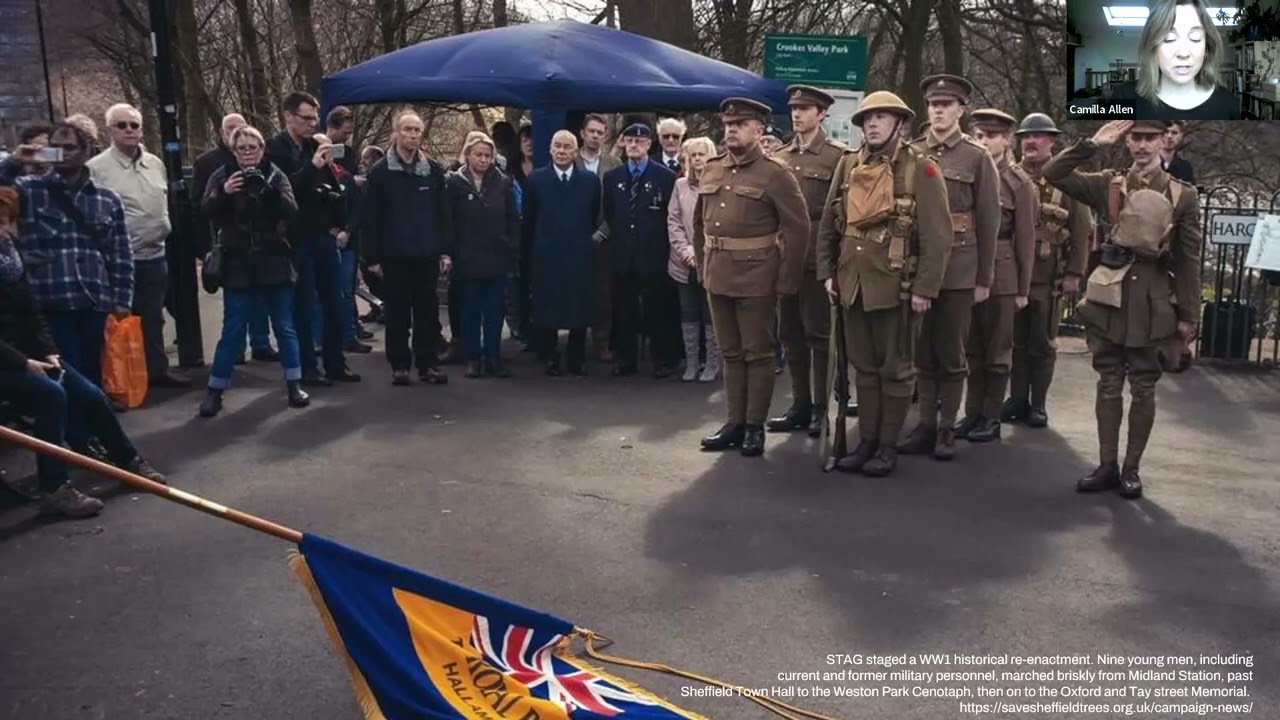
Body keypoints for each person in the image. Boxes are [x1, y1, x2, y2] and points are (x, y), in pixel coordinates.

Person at [1043, 119, 1200, 499]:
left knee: (1144, 388)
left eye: (1150, 138)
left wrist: (1189, 316)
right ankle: (1107, 465)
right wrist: (1093, 144)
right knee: (1108, 383)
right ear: (1127, 141)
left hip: (1153, 302)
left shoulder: (1183, 195)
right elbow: (1054, 172)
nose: (1142, 146)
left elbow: (1188, 259)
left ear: (1165, 140)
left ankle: (1132, 469)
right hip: (1109, 300)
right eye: (1136, 138)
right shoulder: (1108, 184)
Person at [0, 187, 165, 519]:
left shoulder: (10, 253)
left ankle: (127, 460)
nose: (4, 230)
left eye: (6, 222)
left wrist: (48, 352)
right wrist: (22, 362)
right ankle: (55, 487)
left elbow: (33, 312)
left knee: (89, 392)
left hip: (27, 351)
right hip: (7, 360)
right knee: (51, 395)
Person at [815, 92, 952, 475]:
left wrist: (926, 288)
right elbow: (830, 225)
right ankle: (868, 442)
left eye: (881, 117)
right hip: (852, 283)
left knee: (896, 370)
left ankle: (887, 447)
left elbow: (938, 237)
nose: (872, 124)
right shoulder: (847, 166)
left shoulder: (920, 169)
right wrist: (827, 272)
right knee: (864, 369)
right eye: (867, 118)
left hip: (897, 287)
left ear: (900, 123)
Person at [694, 97, 810, 458]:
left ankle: (754, 426)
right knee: (730, 353)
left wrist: (787, 280)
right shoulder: (712, 168)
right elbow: (700, 223)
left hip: (758, 276)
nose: (731, 130)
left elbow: (799, 228)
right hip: (719, 274)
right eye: (728, 125)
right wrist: (703, 266)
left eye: (740, 125)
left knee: (757, 354)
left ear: (759, 131)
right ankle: (735, 422)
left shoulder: (775, 173)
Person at [902, 74, 1000, 461]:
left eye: (946, 104)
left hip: (960, 265)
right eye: (933, 105)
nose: (938, 111)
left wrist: (984, 278)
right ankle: (926, 424)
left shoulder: (977, 157)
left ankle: (946, 428)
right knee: (923, 352)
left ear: (961, 110)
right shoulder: (912, 151)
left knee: (952, 352)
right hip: (921, 263)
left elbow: (989, 220)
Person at [0, 122, 133, 394]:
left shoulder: (106, 198)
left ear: (86, 151)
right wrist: (14, 161)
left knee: (94, 373)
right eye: (56, 148)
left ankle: (91, 434)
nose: (62, 154)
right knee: (67, 374)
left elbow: (121, 253)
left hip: (93, 299)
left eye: (70, 148)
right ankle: (75, 434)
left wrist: (122, 299)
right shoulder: (30, 190)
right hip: (50, 299)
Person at [198, 126, 309, 416]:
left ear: (262, 149)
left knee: (284, 327)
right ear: (233, 151)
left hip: (274, 260)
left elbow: (292, 211)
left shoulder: (275, 174)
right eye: (241, 148)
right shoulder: (222, 175)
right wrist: (224, 193)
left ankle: (295, 383)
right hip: (238, 263)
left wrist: (269, 192)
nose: (248, 153)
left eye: (253, 147)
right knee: (232, 329)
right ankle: (215, 390)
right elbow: (206, 209)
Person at [87, 103, 191, 390]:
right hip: (119, 259)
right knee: (120, 321)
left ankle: (157, 371)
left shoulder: (155, 163)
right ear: (110, 131)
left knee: (154, 317)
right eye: (122, 125)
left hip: (155, 254)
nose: (129, 131)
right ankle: (122, 379)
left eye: (134, 125)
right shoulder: (96, 169)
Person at [767, 85, 848, 438]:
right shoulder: (780, 156)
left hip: (818, 258)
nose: (797, 114)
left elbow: (840, 217)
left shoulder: (838, 157)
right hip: (785, 259)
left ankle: (819, 408)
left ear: (822, 114)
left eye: (806, 109)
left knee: (819, 337)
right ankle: (799, 404)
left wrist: (835, 265)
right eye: (794, 108)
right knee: (790, 335)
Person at [1003, 113, 1092, 428]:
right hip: (1013, 274)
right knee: (1014, 341)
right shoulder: (1009, 176)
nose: (1030, 142)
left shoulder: (1067, 180)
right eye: (1026, 137)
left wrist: (1074, 273)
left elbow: (1082, 231)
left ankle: (1038, 404)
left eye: (1038, 137)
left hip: (1047, 275)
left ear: (1052, 142)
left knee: (1041, 343)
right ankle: (1016, 399)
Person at [265, 91, 359, 386]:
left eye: (314, 119)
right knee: (304, 305)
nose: (311, 124)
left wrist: (339, 221)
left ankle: (335, 363)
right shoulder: (274, 149)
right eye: (306, 118)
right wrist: (313, 167)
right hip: (296, 237)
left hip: (323, 234)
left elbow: (335, 188)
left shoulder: (315, 146)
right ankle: (307, 367)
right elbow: (283, 191)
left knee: (334, 301)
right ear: (288, 116)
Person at [955, 109, 1036, 443]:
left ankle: (991, 416)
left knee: (998, 351)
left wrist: (1022, 288)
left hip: (1002, 273)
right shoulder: (968, 173)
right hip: (969, 267)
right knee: (971, 349)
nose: (984, 142)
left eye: (991, 136)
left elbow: (1026, 238)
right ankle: (971, 412)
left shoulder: (1019, 184)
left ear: (1006, 140)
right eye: (979, 135)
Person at [362, 110, 451, 386]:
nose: (412, 135)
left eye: (416, 131)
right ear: (396, 133)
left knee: (427, 311)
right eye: (407, 129)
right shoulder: (380, 173)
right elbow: (370, 218)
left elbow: (443, 215)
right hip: (394, 256)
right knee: (398, 313)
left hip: (426, 254)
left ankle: (428, 364)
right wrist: (372, 257)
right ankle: (400, 365)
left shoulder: (434, 171)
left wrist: (445, 251)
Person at [194, 113, 279, 363]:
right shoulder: (209, 164)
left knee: (261, 299)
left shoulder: (266, 165)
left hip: (262, 241)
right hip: (230, 240)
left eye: (240, 129)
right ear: (223, 134)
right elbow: (201, 204)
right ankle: (236, 351)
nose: (237, 136)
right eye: (230, 130)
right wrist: (223, 191)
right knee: (236, 305)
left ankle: (261, 343)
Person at [600, 123, 679, 377]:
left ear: (648, 144)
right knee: (624, 310)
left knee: (657, 309)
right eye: (629, 140)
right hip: (623, 254)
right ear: (623, 144)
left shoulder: (665, 177)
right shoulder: (614, 177)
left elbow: (670, 215)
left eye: (639, 141)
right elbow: (611, 213)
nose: (634, 145)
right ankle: (626, 360)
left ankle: (661, 360)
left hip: (653, 253)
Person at [522, 130, 601, 376]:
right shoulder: (536, 179)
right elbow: (530, 219)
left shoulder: (589, 180)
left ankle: (576, 357)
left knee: (579, 306)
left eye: (567, 147)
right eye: (558, 146)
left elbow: (593, 215)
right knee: (547, 305)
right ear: (550, 149)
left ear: (576, 152)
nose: (562, 151)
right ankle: (550, 356)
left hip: (579, 253)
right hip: (547, 253)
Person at [443, 132, 519, 378]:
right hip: (466, 258)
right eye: (479, 155)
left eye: (488, 155)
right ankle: (473, 357)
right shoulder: (454, 183)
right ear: (468, 155)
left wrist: (510, 246)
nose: (483, 160)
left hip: (496, 256)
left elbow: (512, 219)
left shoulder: (503, 182)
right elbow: (447, 221)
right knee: (470, 311)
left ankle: (493, 356)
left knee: (495, 311)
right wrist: (449, 253)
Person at [1126, 0, 1240, 120]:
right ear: (1153, 47)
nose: (1183, 53)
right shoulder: (1124, 98)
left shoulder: (1228, 104)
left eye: (1195, 38)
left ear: (1207, 48)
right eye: (1169, 38)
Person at [666, 136, 721, 383]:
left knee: (711, 314)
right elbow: (673, 221)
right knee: (688, 312)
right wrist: (687, 251)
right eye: (694, 155)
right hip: (683, 262)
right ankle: (691, 362)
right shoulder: (679, 186)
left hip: (713, 260)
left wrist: (703, 252)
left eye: (702, 154)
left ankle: (711, 363)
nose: (698, 159)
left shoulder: (720, 184)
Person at [579, 113, 620, 364]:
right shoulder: (571, 160)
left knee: (603, 293)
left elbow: (618, 204)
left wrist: (604, 230)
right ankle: (575, 342)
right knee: (577, 290)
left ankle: (602, 341)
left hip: (605, 238)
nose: (595, 136)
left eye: (599, 132)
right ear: (582, 132)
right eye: (591, 131)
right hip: (575, 237)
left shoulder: (614, 163)